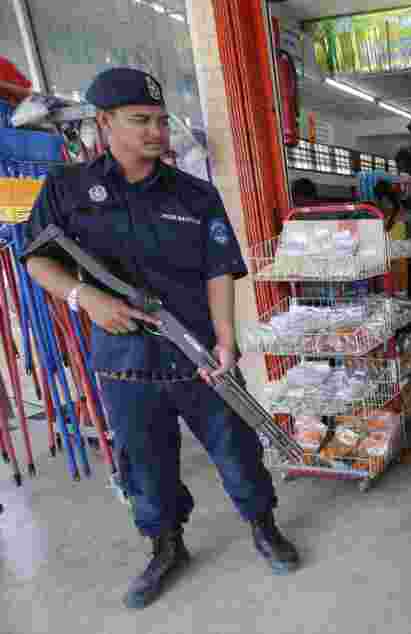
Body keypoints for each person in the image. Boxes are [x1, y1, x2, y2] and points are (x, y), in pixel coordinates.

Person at [21, 69, 299, 609]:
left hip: (199, 355)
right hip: (124, 359)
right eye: (140, 120)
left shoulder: (195, 195)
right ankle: (165, 547)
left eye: (161, 120)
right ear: (105, 123)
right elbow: (38, 259)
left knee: (238, 449)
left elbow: (219, 269)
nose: (156, 130)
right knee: (144, 463)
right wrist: (86, 300)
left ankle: (264, 526)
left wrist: (225, 341)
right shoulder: (67, 189)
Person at [374, 181, 409, 296]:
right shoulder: (398, 205)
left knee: (390, 287)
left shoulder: (385, 206)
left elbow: (386, 227)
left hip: (391, 251)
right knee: (399, 288)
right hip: (398, 251)